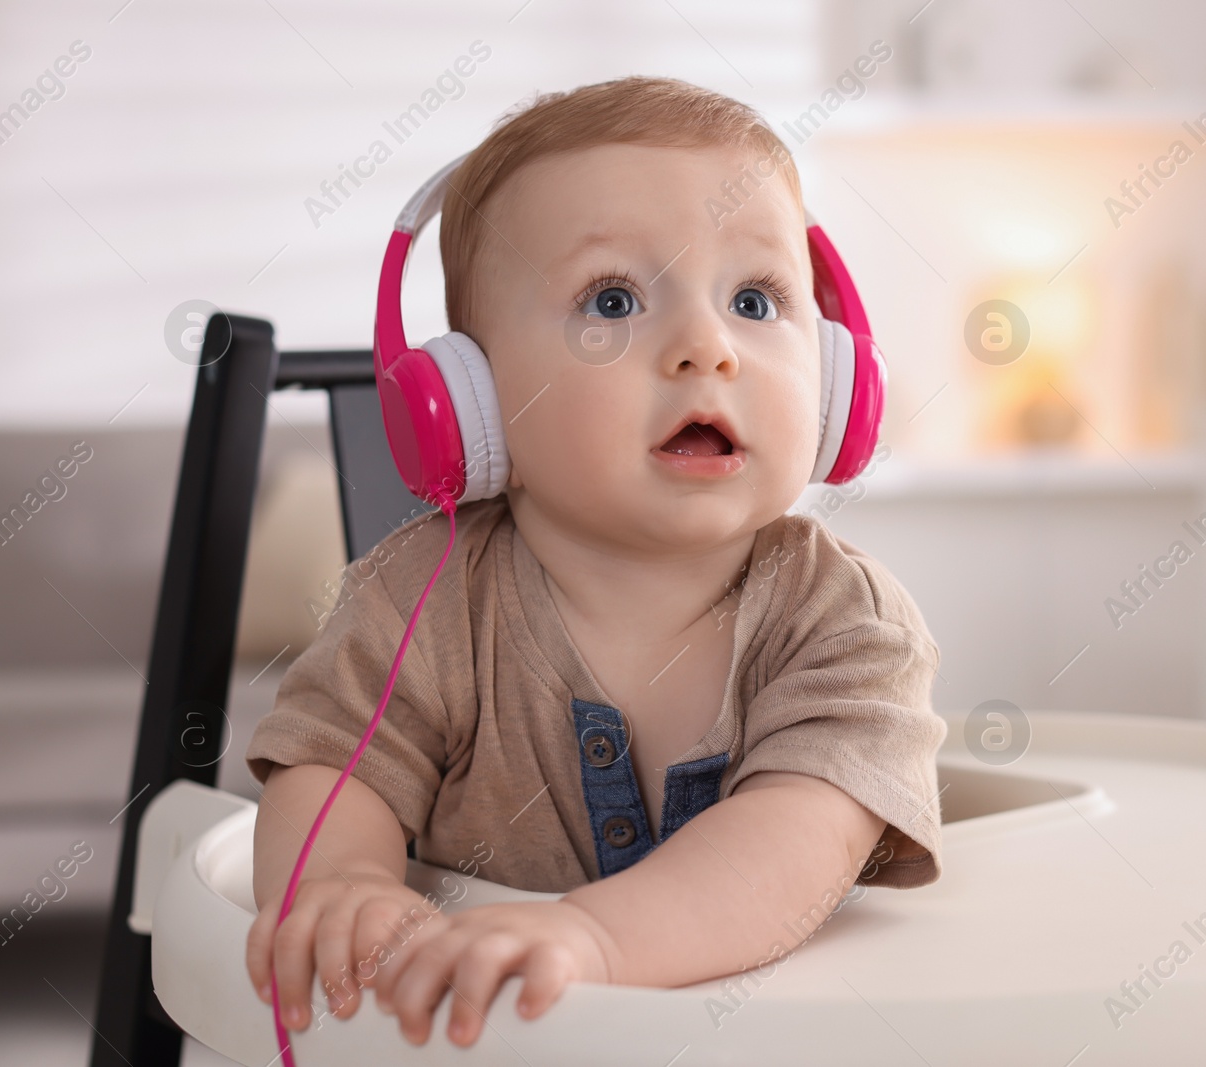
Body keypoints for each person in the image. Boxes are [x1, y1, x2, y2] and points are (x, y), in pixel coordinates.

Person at [242, 75, 945, 1049]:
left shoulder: (842, 617)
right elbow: (333, 767)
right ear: (471, 403)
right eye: (611, 300)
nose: (707, 348)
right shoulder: (424, 597)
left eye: (753, 298)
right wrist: (344, 883)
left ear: (836, 378)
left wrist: (592, 937)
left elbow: (797, 833)